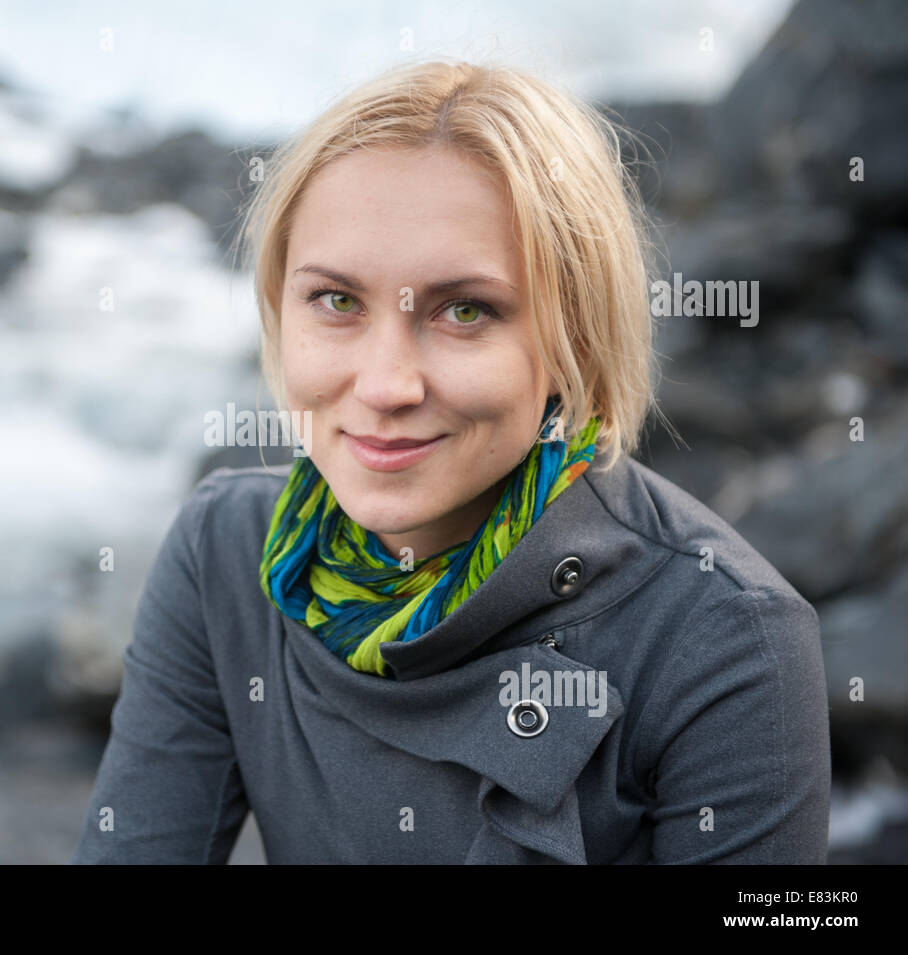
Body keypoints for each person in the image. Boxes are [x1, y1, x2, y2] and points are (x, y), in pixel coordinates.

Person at [71, 58, 830, 864]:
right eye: (337, 301)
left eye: (465, 311)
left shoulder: (728, 639)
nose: (386, 384)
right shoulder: (225, 554)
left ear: (574, 336)